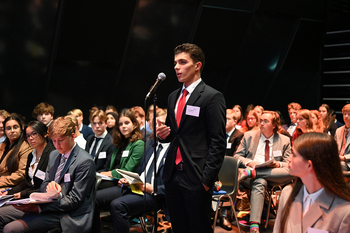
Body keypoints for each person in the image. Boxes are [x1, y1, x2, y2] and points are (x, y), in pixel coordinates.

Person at [156, 43, 226, 233]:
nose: (176, 67)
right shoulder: (173, 97)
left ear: (197, 65)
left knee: (199, 227)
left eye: (182, 62)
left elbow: (218, 141)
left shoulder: (212, 96)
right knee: (179, 227)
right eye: (175, 63)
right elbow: (173, 135)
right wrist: (163, 135)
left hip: (196, 175)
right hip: (172, 175)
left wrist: (206, 181)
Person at [2, 116, 96, 233]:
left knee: (10, 229)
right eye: (54, 141)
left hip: (67, 214)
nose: (57, 145)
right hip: (46, 204)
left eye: (60, 140)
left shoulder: (84, 161)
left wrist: (40, 207)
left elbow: (74, 201)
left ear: (72, 136)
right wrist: (49, 187)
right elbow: (44, 183)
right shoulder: (54, 155)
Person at [92, 110, 169, 233]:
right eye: (155, 123)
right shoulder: (150, 143)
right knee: (94, 197)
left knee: (117, 205)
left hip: (153, 192)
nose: (158, 126)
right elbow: (139, 170)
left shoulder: (171, 147)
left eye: (162, 123)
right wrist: (130, 179)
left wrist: (152, 188)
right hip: (137, 185)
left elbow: (172, 183)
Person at [273, 132, 350, 233]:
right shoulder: (287, 194)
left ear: (309, 165)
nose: (289, 158)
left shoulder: (344, 211)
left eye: (294, 155)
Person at [234, 111, 293, 233]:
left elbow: (289, 163)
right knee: (260, 182)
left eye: (266, 121)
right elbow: (237, 157)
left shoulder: (284, 140)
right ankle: (254, 223)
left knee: (293, 172)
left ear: (274, 125)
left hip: (275, 174)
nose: (261, 123)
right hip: (250, 175)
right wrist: (250, 163)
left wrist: (279, 164)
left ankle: (256, 173)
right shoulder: (249, 136)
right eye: (260, 121)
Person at [0, 121, 55, 230]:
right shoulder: (32, 155)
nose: (30, 138)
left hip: (41, 202)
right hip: (28, 197)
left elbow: (46, 186)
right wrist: (9, 192)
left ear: (44, 134)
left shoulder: (52, 154)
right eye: (28, 136)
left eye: (34, 134)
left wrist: (22, 193)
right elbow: (27, 181)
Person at [98, 110, 144, 189]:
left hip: (128, 183)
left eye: (127, 123)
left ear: (134, 124)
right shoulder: (119, 143)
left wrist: (109, 173)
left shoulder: (138, 144)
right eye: (120, 124)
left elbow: (128, 170)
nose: (123, 126)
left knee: (95, 193)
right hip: (113, 179)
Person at [0, 116, 33, 188]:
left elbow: (21, 174)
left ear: (21, 129)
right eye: (8, 128)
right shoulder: (3, 145)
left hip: (11, 187)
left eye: (15, 127)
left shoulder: (26, 146)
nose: (12, 131)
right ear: (5, 131)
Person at [334, 104, 350, 172]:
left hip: (348, 162)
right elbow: (334, 147)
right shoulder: (338, 130)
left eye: (349, 114)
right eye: (345, 114)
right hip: (338, 159)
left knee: (339, 165)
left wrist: (344, 158)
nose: (346, 116)